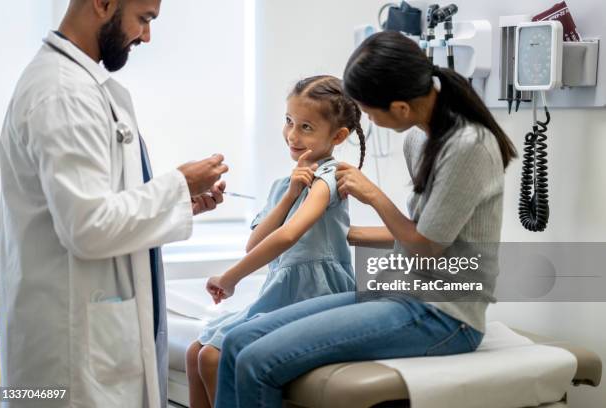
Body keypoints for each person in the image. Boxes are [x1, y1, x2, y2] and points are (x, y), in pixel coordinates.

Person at [212, 31, 519, 408]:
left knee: (258, 362)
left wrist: (373, 194)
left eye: (370, 112)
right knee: (237, 342)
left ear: (401, 108)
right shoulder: (418, 140)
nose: (367, 121)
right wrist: (341, 233)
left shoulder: (469, 146)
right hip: (397, 293)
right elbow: (416, 233)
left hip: (445, 314)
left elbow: (427, 248)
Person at [0, 1, 228, 407]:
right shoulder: (62, 93)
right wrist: (178, 184)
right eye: (144, 19)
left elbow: (95, 205)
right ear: (102, 4)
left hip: (82, 342)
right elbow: (88, 227)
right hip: (69, 357)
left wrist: (178, 201)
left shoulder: (77, 85)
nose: (147, 36)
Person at [185, 75, 366, 408]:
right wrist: (289, 196)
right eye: (289, 122)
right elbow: (254, 244)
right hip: (283, 294)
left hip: (317, 295)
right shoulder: (284, 184)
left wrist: (231, 278)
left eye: (306, 127)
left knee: (211, 358)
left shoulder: (330, 176)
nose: (292, 135)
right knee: (195, 352)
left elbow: (289, 234)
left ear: (338, 135)